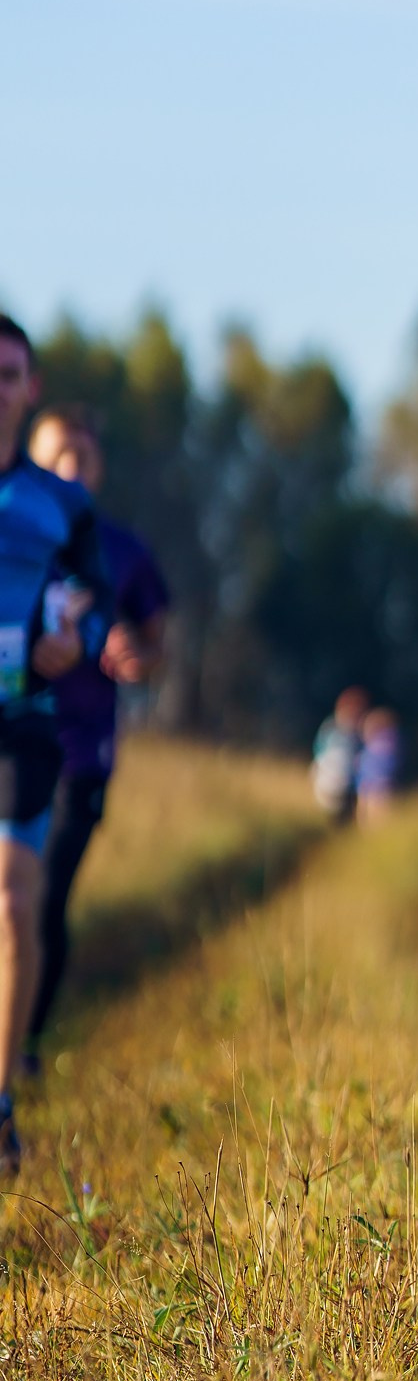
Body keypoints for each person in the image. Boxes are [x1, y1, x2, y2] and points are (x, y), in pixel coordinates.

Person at [21, 408, 172, 1069]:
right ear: (32, 458)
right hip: (14, 736)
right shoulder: (14, 530)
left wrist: (134, 652)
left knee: (42, 899)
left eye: (84, 455)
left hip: (81, 755)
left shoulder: (124, 551)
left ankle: (22, 1049)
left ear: (100, 467)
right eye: (59, 454)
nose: (72, 467)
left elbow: (156, 646)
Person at [0, 319, 105, 1176]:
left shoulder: (62, 506)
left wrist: (75, 640)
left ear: (28, 388)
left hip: (23, 722)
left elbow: (92, 608)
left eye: (9, 374)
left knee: (11, 901)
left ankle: (1, 1100)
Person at [311, 687, 369, 822]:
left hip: (348, 787)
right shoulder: (331, 728)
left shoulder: (358, 732)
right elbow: (319, 752)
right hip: (329, 785)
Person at [354, 705, 402, 825]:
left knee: (378, 815)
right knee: (367, 814)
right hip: (367, 784)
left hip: (379, 784)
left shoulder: (386, 743)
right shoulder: (369, 747)